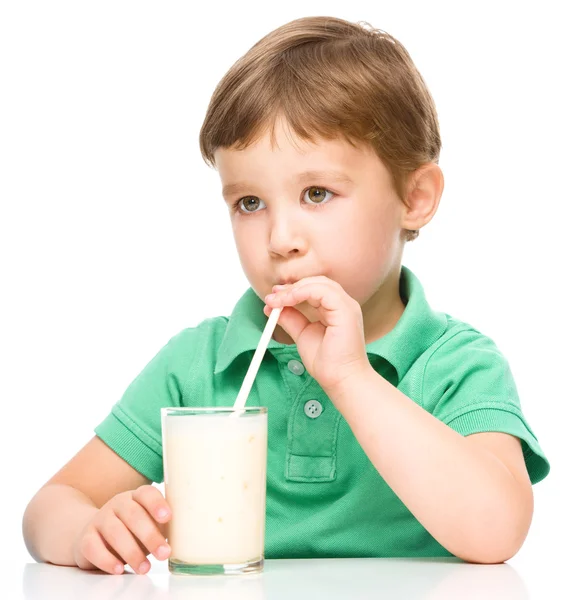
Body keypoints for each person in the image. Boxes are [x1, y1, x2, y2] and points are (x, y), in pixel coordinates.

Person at [22, 15, 550, 575]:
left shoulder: (456, 365)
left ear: (414, 197)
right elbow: (48, 508)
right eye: (249, 203)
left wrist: (350, 378)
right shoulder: (200, 365)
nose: (279, 240)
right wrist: (89, 529)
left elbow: (497, 531)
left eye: (316, 193)